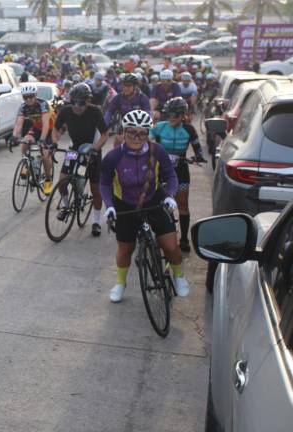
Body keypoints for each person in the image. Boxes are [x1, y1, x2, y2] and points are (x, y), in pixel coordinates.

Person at [100, 110, 190, 303]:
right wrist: (109, 206)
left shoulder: (157, 151)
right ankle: (120, 283)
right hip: (125, 205)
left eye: (142, 133)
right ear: (124, 132)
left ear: (148, 134)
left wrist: (170, 196)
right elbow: (105, 184)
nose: (137, 137)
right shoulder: (113, 157)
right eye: (132, 132)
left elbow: (171, 176)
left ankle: (179, 276)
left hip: (154, 201)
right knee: (125, 250)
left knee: (171, 246)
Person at [149, 97, 206, 252]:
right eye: (169, 114)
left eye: (175, 115)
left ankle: (184, 239)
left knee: (183, 205)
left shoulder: (189, 129)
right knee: (156, 203)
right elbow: (146, 140)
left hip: (181, 170)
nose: (171, 117)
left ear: (182, 115)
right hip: (160, 170)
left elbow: (198, 148)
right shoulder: (160, 127)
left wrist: (198, 157)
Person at [52, 83, 109, 237]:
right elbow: (56, 128)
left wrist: (95, 149)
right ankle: (66, 206)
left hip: (92, 150)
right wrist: (54, 143)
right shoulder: (65, 111)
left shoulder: (95, 112)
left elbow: (105, 134)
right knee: (62, 182)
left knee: (96, 188)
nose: (77, 107)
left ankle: (96, 221)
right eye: (74, 103)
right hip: (74, 150)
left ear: (88, 101)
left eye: (81, 103)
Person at [13, 84, 54, 193]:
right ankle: (26, 163)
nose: (28, 99)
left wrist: (42, 139)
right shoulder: (23, 107)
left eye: (31, 96)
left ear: (35, 95)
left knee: (45, 156)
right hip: (36, 128)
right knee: (25, 141)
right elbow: (19, 124)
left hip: (49, 129)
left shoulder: (42, 104)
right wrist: (14, 136)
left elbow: (46, 124)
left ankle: (48, 180)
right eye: (25, 97)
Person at [105, 73, 151, 146]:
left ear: (135, 86)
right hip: (125, 125)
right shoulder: (118, 98)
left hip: (140, 126)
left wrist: (145, 129)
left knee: (148, 143)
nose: (125, 88)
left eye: (129, 86)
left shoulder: (143, 98)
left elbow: (148, 115)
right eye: (124, 85)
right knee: (118, 141)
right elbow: (109, 113)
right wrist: (103, 126)